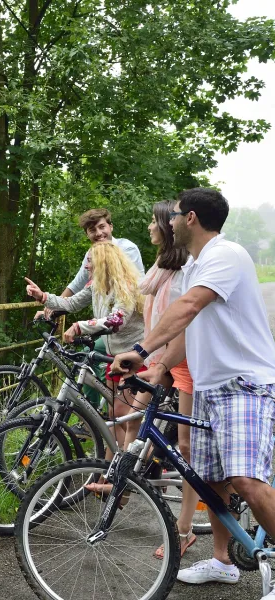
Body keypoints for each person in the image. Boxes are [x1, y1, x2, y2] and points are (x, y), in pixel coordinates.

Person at [112, 188, 275, 596]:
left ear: (191, 219)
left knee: (247, 480)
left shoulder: (225, 255)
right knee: (211, 481)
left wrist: (140, 348)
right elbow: (190, 325)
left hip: (244, 384)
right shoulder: (196, 265)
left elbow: (187, 307)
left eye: (175, 215)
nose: (168, 222)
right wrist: (159, 367)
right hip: (209, 386)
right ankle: (223, 562)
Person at [26, 241, 145, 450]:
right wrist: (43, 297)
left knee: (126, 416)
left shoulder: (125, 285)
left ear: (104, 262)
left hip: (133, 356)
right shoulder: (96, 284)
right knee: (114, 415)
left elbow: (115, 320)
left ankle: (140, 465)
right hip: (114, 356)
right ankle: (110, 472)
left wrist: (80, 326)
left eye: (90, 262)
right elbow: (71, 303)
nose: (86, 267)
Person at [129, 201, 198, 560]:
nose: (152, 228)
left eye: (155, 223)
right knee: (132, 420)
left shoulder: (185, 268)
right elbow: (144, 295)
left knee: (187, 449)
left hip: (182, 361)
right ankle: (122, 484)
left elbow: (186, 319)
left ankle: (184, 530)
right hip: (162, 359)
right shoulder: (164, 269)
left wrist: (160, 359)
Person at [54, 208, 145, 408]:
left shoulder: (125, 249)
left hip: (129, 331)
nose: (98, 233)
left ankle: (93, 408)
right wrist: (48, 303)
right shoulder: (92, 256)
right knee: (89, 355)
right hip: (114, 329)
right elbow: (77, 286)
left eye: (102, 227)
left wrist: (81, 325)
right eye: (92, 230)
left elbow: (130, 291)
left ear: (110, 226)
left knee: (89, 353)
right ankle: (94, 410)